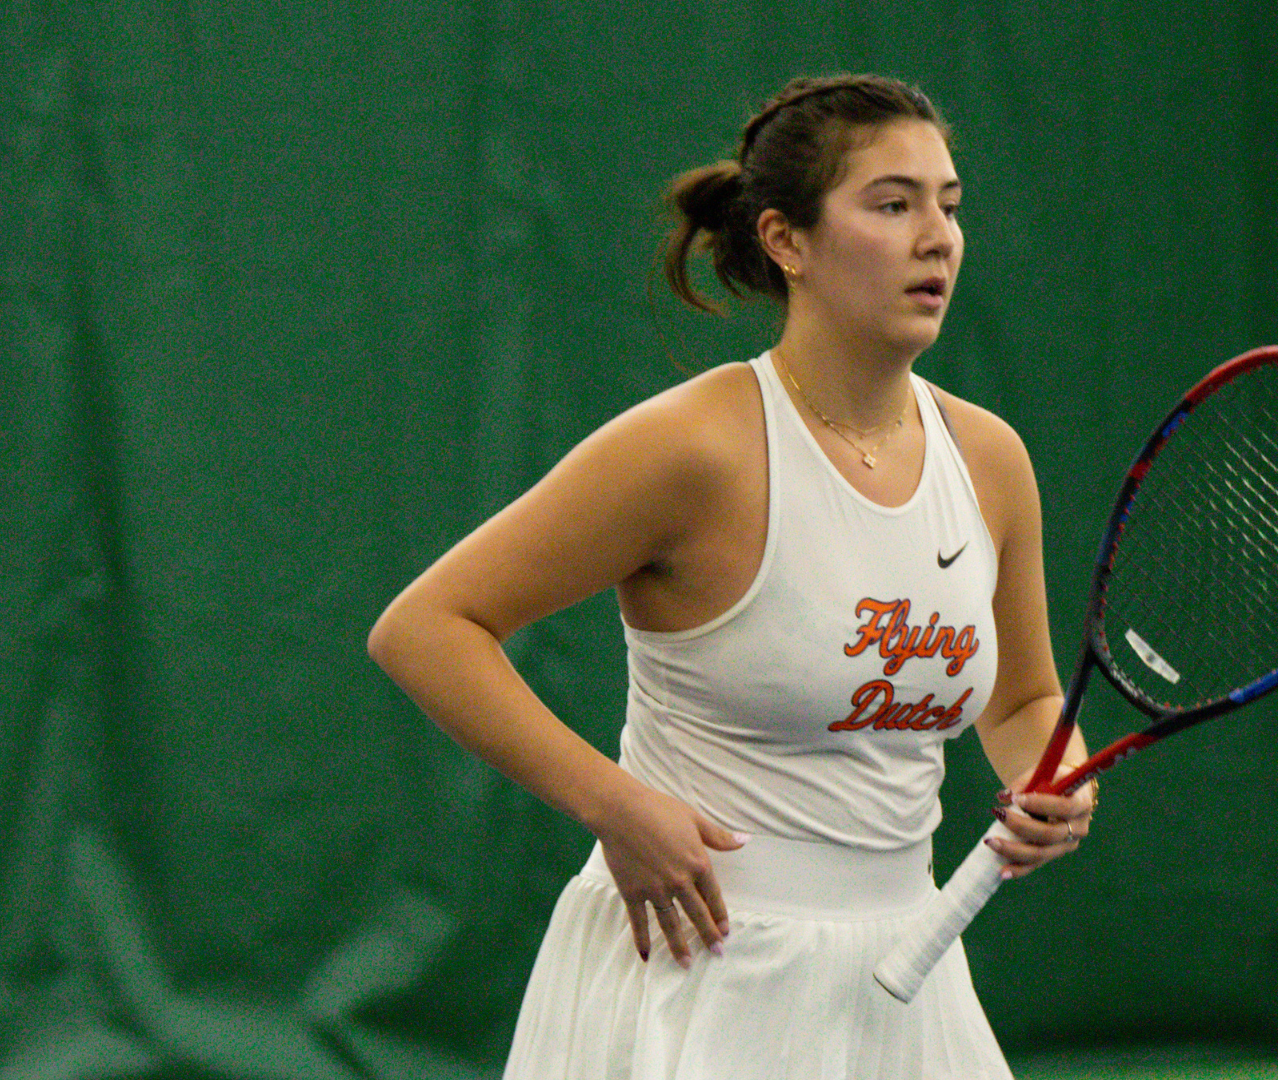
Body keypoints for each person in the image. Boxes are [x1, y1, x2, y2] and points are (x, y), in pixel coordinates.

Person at [367, 74, 1094, 1078]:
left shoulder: (990, 459)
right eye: (892, 203)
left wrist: (1050, 773)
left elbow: (1023, 696)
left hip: (910, 979)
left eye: (950, 204)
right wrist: (614, 805)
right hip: (694, 974)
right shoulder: (693, 447)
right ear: (785, 240)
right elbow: (427, 627)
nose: (938, 236)